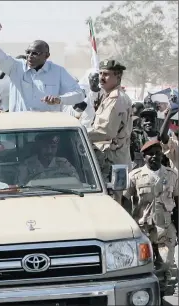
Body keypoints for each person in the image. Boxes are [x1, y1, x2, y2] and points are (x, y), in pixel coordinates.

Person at [0, 24, 84, 112]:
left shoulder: (58, 71)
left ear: (46, 56)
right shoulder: (16, 67)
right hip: (21, 128)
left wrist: (59, 100)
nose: (30, 56)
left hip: (47, 129)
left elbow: (79, 94)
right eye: (28, 52)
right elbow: (0, 56)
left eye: (35, 53)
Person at [123, 140, 178, 286]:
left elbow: (177, 201)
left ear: (162, 155)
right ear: (144, 156)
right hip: (143, 229)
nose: (154, 156)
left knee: (165, 264)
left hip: (165, 228)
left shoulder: (172, 175)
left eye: (158, 153)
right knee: (144, 266)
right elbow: (126, 201)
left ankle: (163, 285)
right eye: (150, 154)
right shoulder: (135, 176)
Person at [87, 59, 132, 202]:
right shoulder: (109, 96)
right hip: (111, 158)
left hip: (111, 160)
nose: (101, 78)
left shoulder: (116, 98)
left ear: (118, 76)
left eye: (106, 74)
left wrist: (80, 135)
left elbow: (106, 133)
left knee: (110, 203)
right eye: (100, 73)